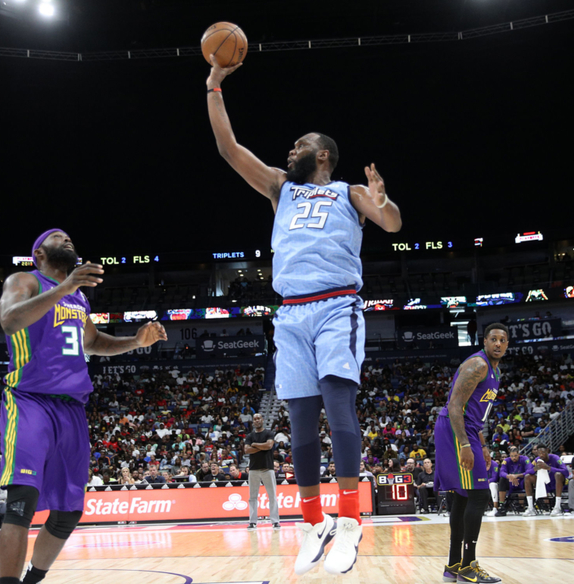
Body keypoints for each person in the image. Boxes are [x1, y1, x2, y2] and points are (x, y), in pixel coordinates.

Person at [206, 52, 401, 578]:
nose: (288, 151)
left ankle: (350, 519)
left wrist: (382, 204)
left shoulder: (347, 190)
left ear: (322, 154)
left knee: (339, 411)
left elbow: (392, 224)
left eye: (298, 146)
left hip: (337, 304)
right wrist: (214, 85)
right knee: (299, 426)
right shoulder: (279, 187)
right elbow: (228, 148)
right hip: (290, 313)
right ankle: (313, 523)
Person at [0, 229, 167, 584]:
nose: (68, 239)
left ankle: (31, 581)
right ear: (39, 253)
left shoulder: (78, 300)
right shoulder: (25, 279)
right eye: (58, 237)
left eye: (70, 236)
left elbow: (93, 342)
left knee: (68, 513)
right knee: (21, 500)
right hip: (30, 400)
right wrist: (64, 287)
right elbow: (9, 321)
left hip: (72, 409)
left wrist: (135, 341)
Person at [435, 323, 508, 583]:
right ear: (484, 341)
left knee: (463, 497)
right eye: (493, 339)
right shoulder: (477, 365)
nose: (498, 344)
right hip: (455, 430)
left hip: (468, 430)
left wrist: (483, 444)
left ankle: (454, 566)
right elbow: (455, 406)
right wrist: (466, 445)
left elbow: (476, 414)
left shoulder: (496, 371)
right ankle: (468, 566)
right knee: (479, 494)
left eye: (503, 340)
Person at [244, 413, 280, 530]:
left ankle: (275, 521)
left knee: (272, 496)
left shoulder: (269, 433)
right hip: (253, 469)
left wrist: (254, 445)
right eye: (255, 419)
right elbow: (247, 450)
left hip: (267, 469)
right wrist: (261, 447)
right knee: (252, 497)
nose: (257, 420)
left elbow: (269, 446)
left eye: (259, 418)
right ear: (253, 421)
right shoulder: (250, 436)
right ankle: (252, 522)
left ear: (262, 420)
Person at [523, 444, 569, 516]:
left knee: (558, 474)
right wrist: (535, 469)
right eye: (539, 453)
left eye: (543, 452)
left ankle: (557, 507)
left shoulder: (555, 458)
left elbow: (565, 471)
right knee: (527, 477)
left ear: (547, 451)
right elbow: (527, 472)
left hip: (556, 483)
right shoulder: (537, 460)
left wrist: (549, 468)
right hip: (544, 484)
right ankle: (531, 508)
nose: (541, 455)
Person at [493, 447, 532, 517]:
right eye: (512, 456)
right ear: (509, 456)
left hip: (522, 481)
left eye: (515, 456)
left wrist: (518, 476)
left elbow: (530, 470)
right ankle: (502, 506)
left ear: (519, 454)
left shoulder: (525, 459)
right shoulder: (506, 461)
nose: (514, 458)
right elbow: (501, 472)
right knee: (502, 479)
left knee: (528, 477)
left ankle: (530, 506)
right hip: (511, 481)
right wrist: (509, 476)